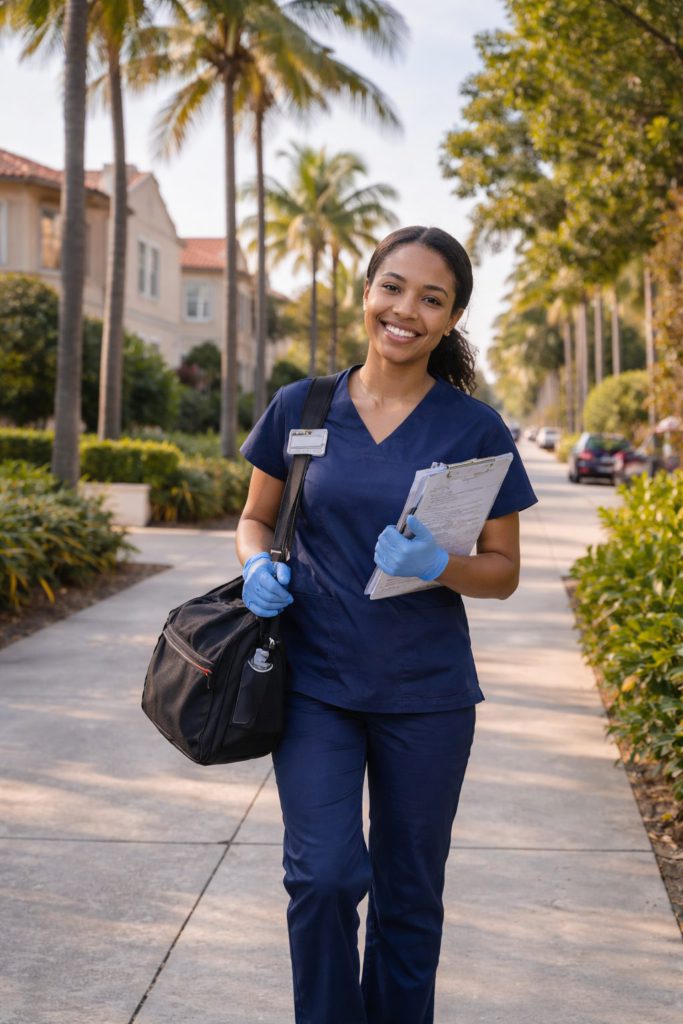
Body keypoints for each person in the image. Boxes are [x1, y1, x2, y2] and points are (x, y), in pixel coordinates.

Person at [236, 225, 537, 1024]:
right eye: (393, 288)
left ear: (451, 318)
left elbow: (503, 571)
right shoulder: (302, 406)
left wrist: (437, 564)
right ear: (367, 292)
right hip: (314, 686)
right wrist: (256, 567)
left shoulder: (474, 428)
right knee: (323, 876)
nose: (405, 311)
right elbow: (255, 519)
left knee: (408, 893)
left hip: (427, 695)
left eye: (431, 299)